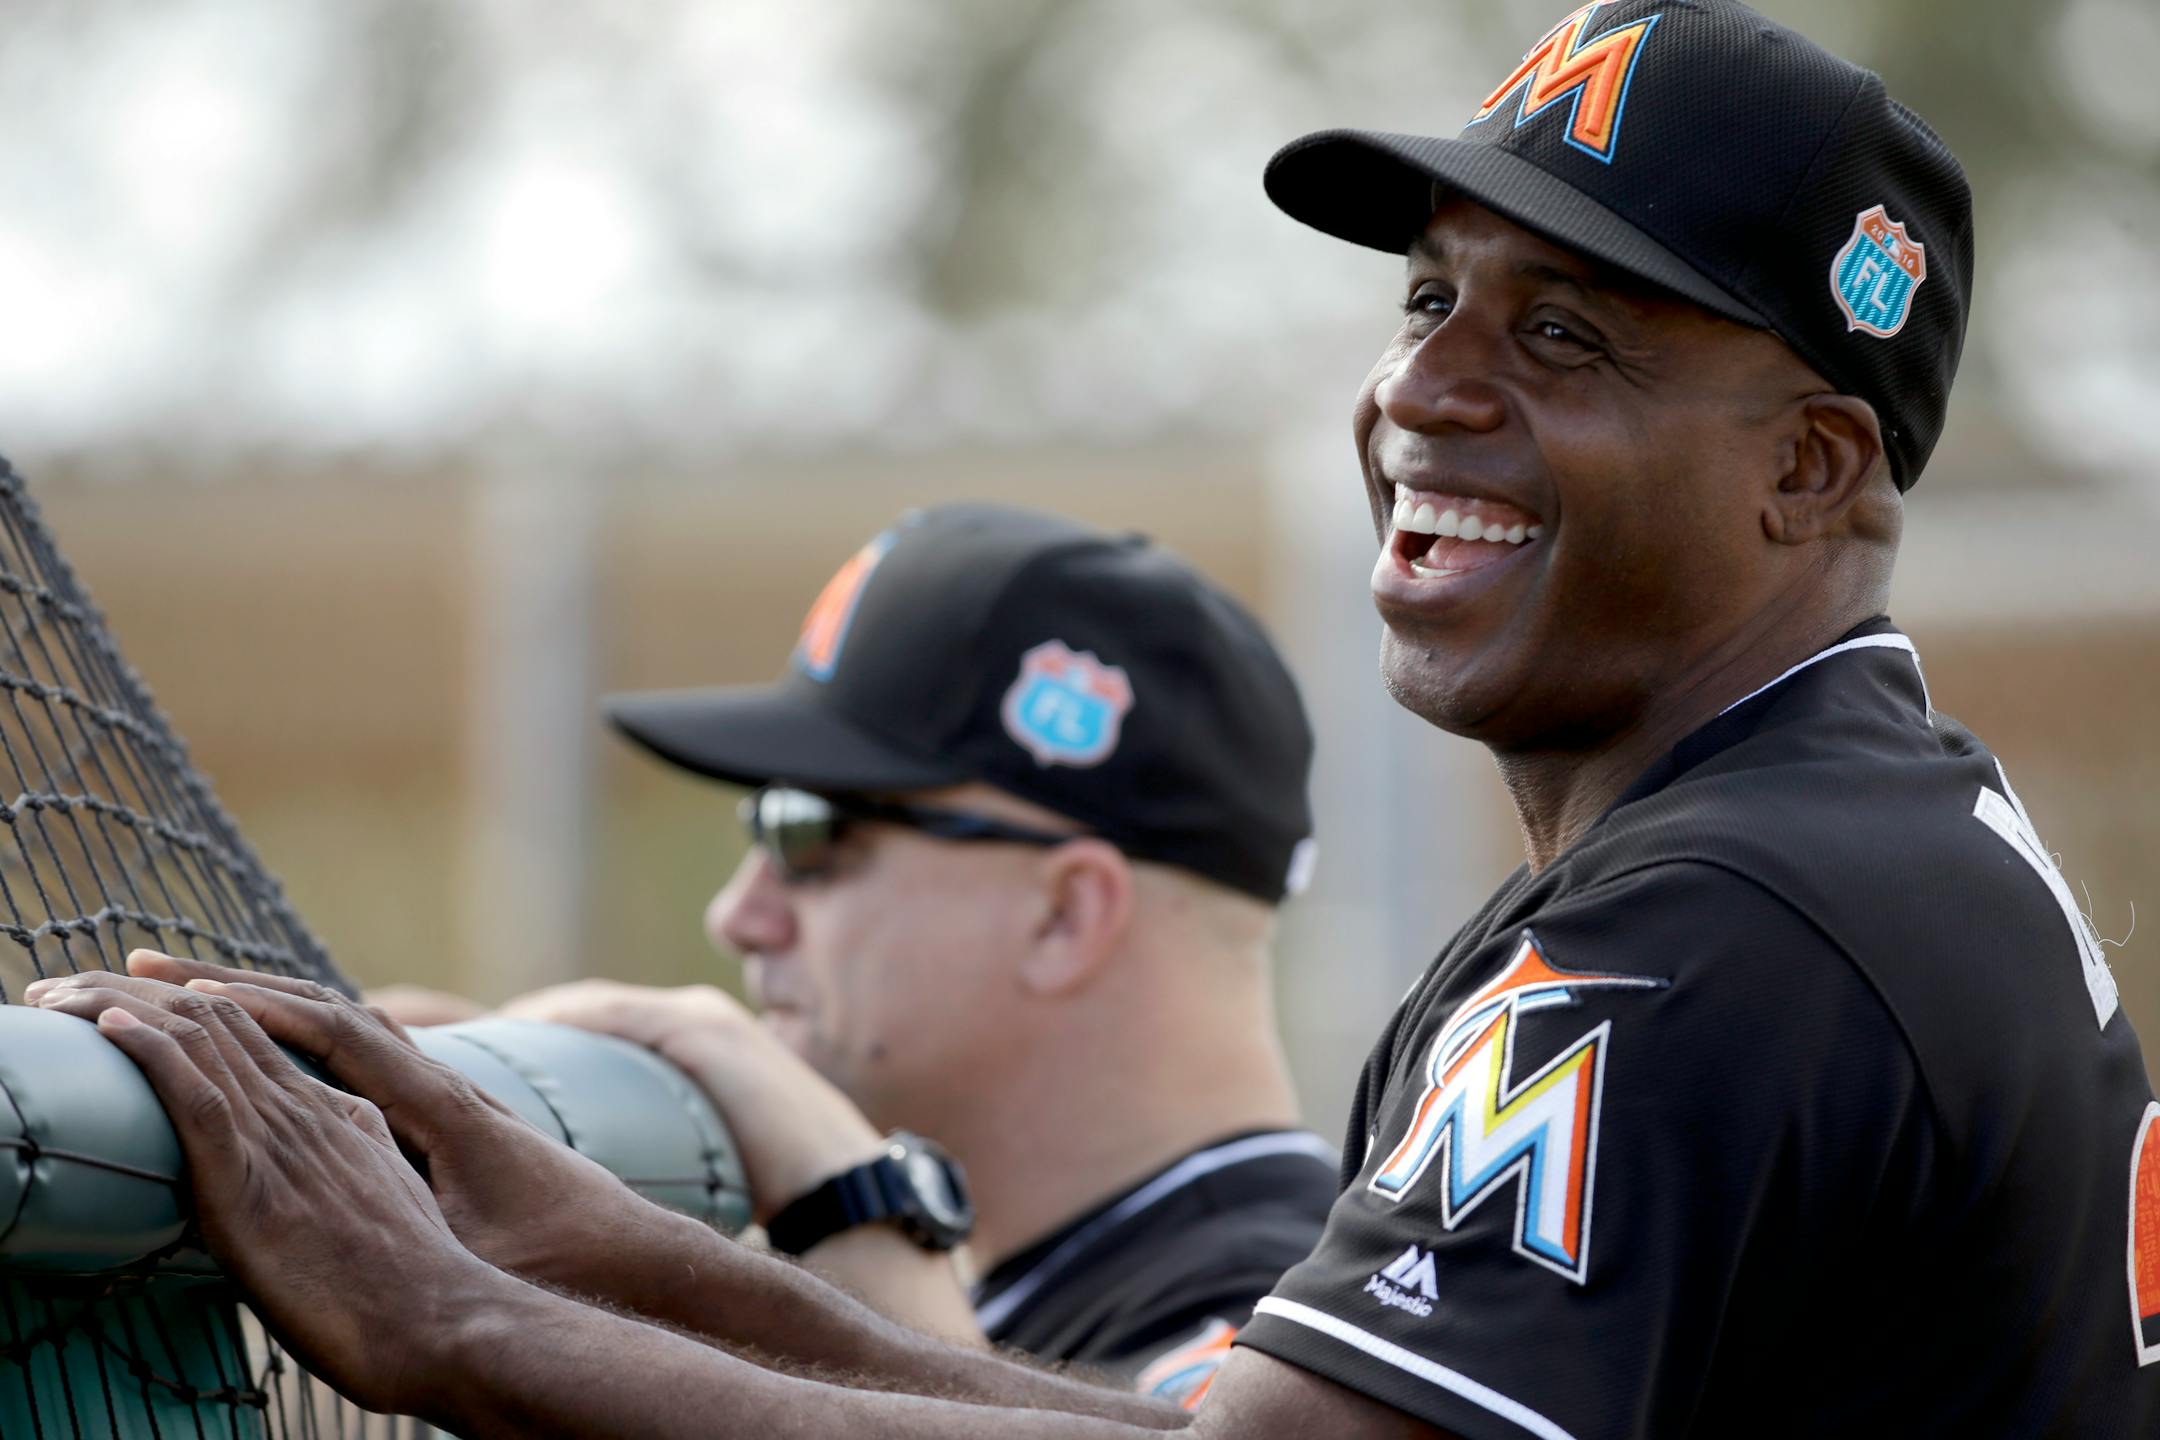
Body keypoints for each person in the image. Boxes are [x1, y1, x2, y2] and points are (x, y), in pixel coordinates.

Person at [29, 2, 2160, 1435]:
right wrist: (566, 1231)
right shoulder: (1820, 842)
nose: (1427, 389)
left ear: (1810, 472)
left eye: (1570, 335)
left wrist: (454, 1330)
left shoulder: (1732, 916)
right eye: (1431, 298)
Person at [489, 501, 1336, 1388]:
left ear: (1066, 915)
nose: (739, 914)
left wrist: (858, 1209)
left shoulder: (1302, 1349)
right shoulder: (1069, 1283)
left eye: (810, 835)